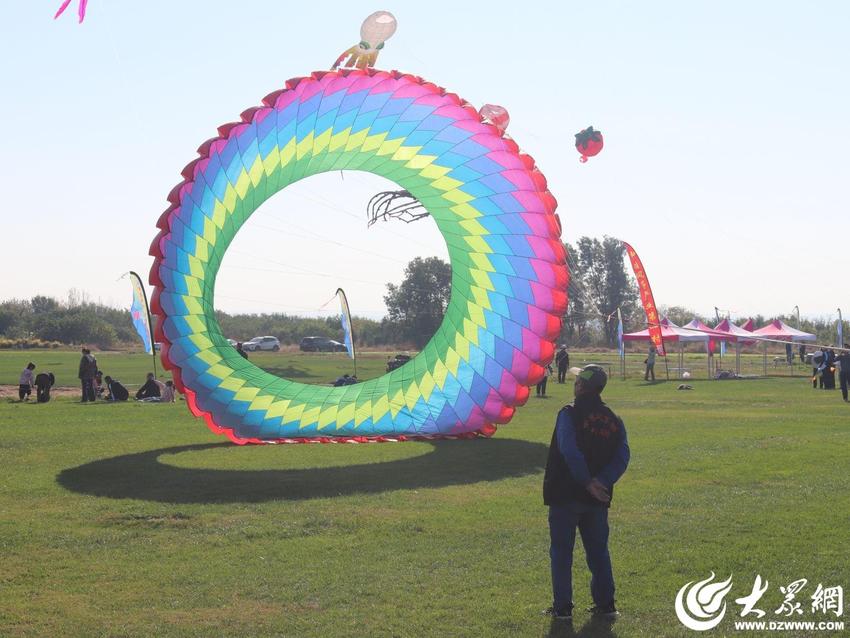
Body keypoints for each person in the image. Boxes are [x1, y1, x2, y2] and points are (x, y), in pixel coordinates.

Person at [543, 365, 630, 620]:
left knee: (561, 552)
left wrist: (587, 481)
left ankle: (563, 608)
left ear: (581, 386)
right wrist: (601, 482)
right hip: (598, 498)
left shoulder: (568, 413)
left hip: (566, 495)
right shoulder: (614, 419)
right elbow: (622, 456)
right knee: (598, 551)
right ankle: (605, 604)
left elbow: (569, 450)